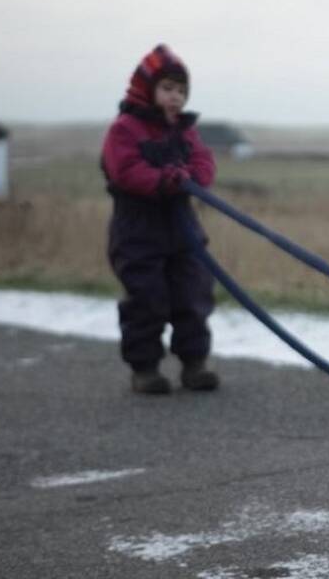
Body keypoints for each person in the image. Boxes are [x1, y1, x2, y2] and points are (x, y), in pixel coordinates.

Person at [101, 44, 220, 394]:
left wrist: (191, 178)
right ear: (146, 89)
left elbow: (204, 164)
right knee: (146, 299)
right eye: (168, 88)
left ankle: (194, 364)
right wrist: (164, 180)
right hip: (139, 231)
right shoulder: (125, 130)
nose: (176, 98)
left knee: (193, 294)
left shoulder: (186, 131)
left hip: (183, 231)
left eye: (182, 91)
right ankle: (145, 368)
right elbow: (125, 171)